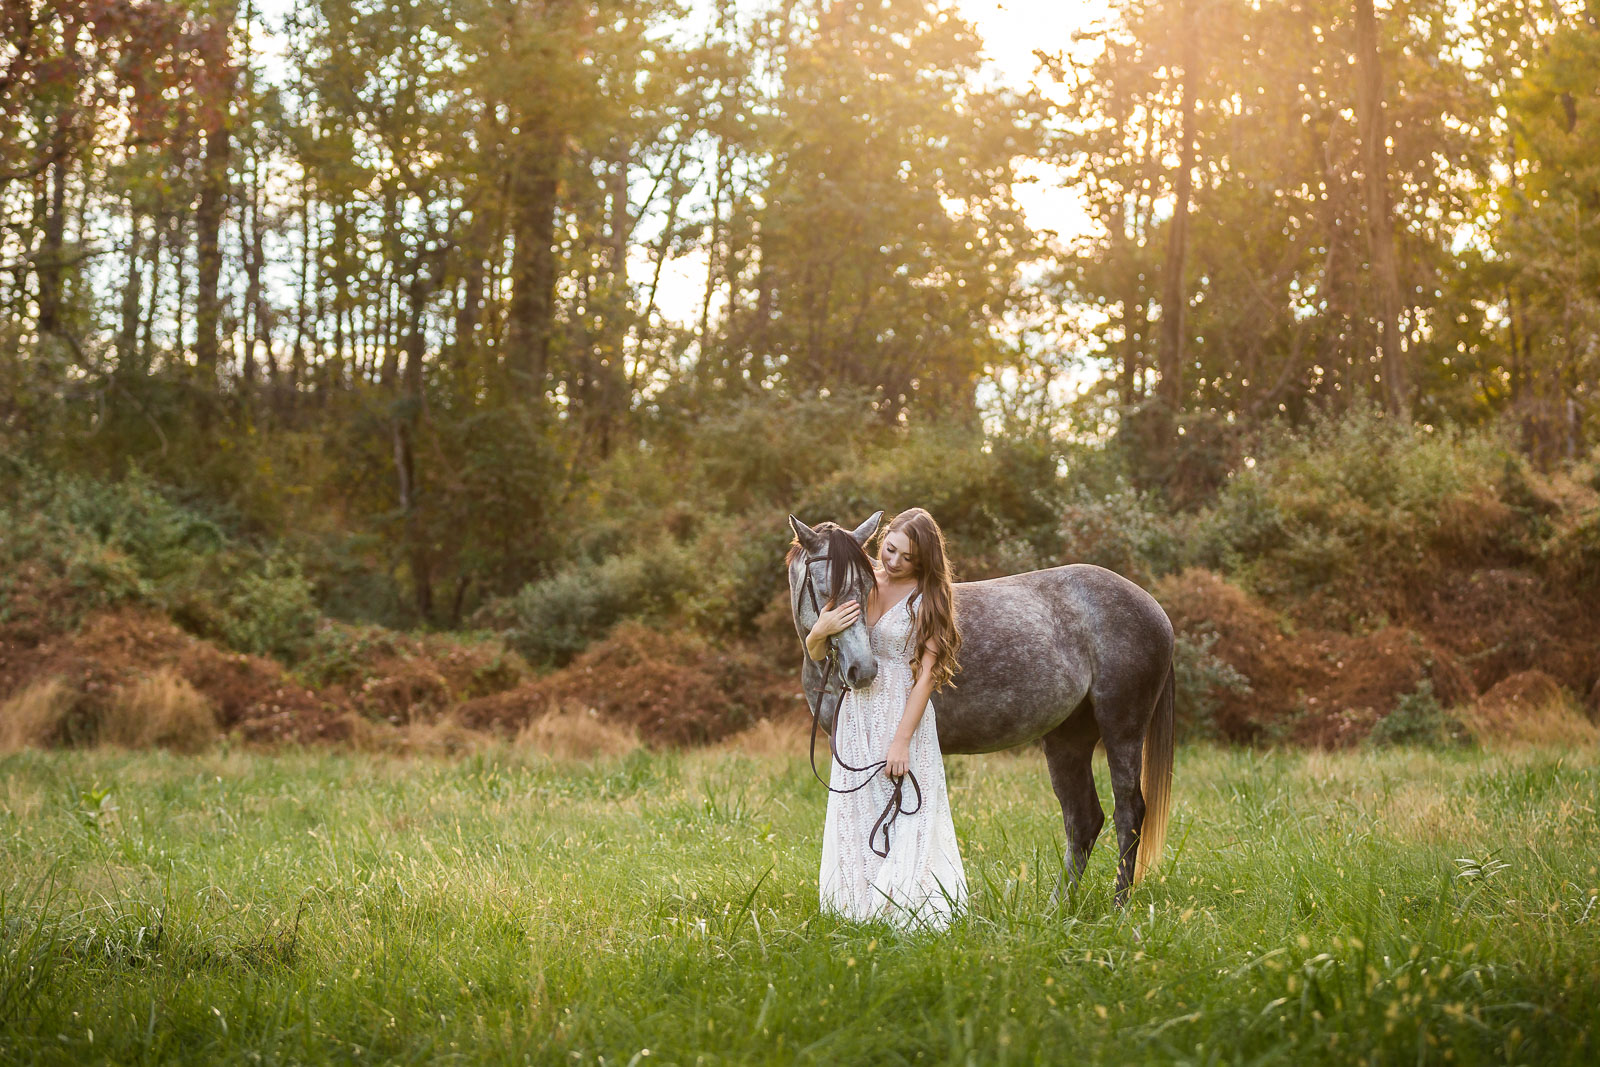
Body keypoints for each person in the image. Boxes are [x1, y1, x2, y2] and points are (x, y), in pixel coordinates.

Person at [804, 507, 968, 930]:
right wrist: (818, 631)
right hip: (857, 711)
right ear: (883, 539)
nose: (894, 562)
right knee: (857, 807)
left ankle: (904, 908)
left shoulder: (929, 595)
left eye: (907, 558)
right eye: (890, 549)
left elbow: (927, 677)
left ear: (923, 561)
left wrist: (902, 741)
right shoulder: (857, 579)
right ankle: (857, 907)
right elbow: (822, 655)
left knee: (905, 810)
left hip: (901, 710)